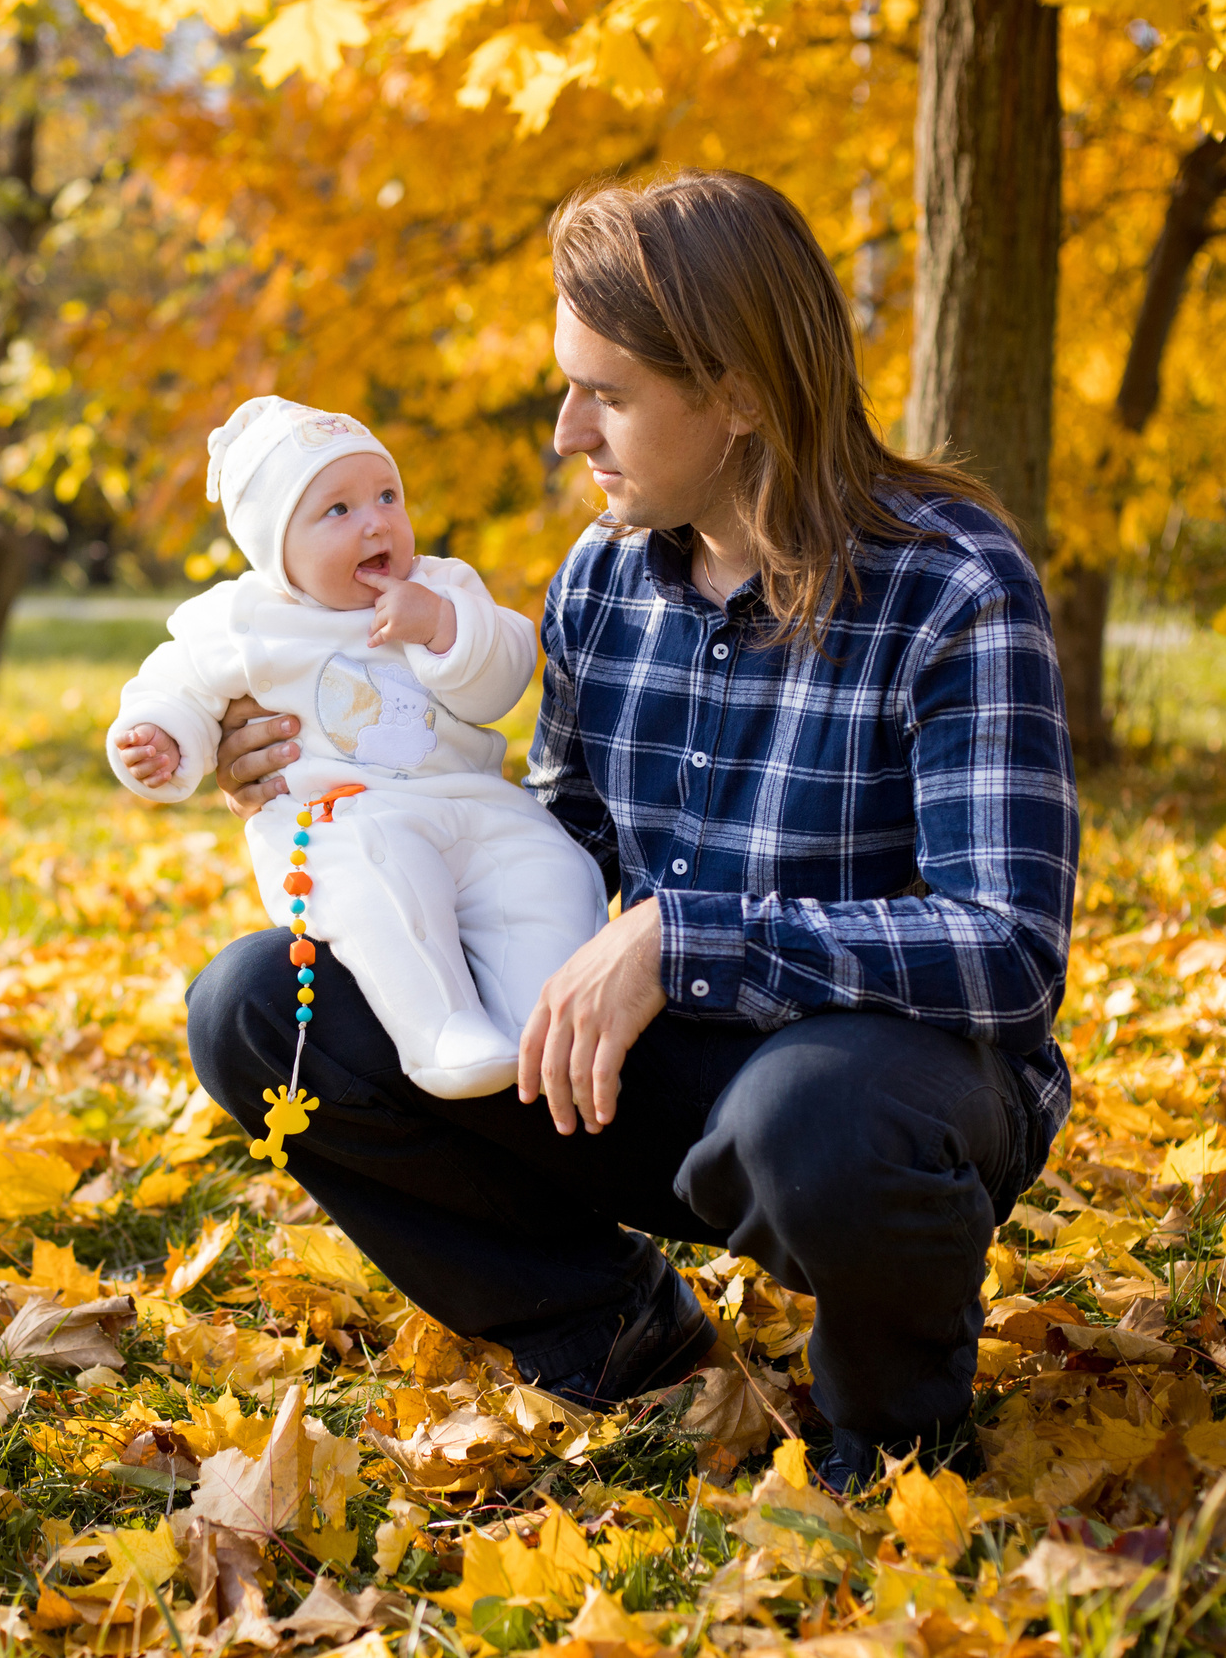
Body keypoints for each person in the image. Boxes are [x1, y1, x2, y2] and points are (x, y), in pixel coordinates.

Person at [182, 169, 1079, 1494]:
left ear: (741, 394)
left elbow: (1005, 952)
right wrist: (329, 774)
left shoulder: (952, 580)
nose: (566, 432)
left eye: (604, 394)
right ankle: (630, 1345)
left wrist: (682, 940)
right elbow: (553, 845)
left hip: (886, 1094)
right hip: (657, 1075)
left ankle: (892, 1441)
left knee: (812, 1112)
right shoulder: (606, 576)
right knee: (265, 1004)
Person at [110, 395, 607, 1098]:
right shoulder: (245, 620)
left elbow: (503, 673)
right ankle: (443, 1030)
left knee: (544, 869)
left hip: (470, 807)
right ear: (276, 551)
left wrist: (441, 627)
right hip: (344, 819)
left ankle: (541, 1024)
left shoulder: (440, 586)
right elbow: (176, 686)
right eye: (338, 510)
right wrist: (161, 739)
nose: (376, 521)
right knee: (382, 884)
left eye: (386, 496)